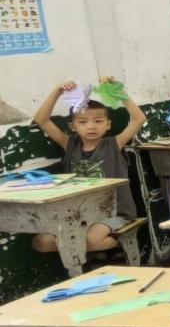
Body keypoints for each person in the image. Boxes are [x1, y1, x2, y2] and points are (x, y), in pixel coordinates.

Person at [32, 79, 145, 254]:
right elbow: (42, 120)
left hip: (115, 213)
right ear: (73, 126)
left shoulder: (114, 144)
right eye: (83, 122)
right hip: (78, 213)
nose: (91, 126)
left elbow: (139, 119)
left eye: (98, 121)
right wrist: (57, 91)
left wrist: (117, 91)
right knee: (41, 243)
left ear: (108, 124)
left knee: (91, 239)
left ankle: (120, 242)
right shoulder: (69, 145)